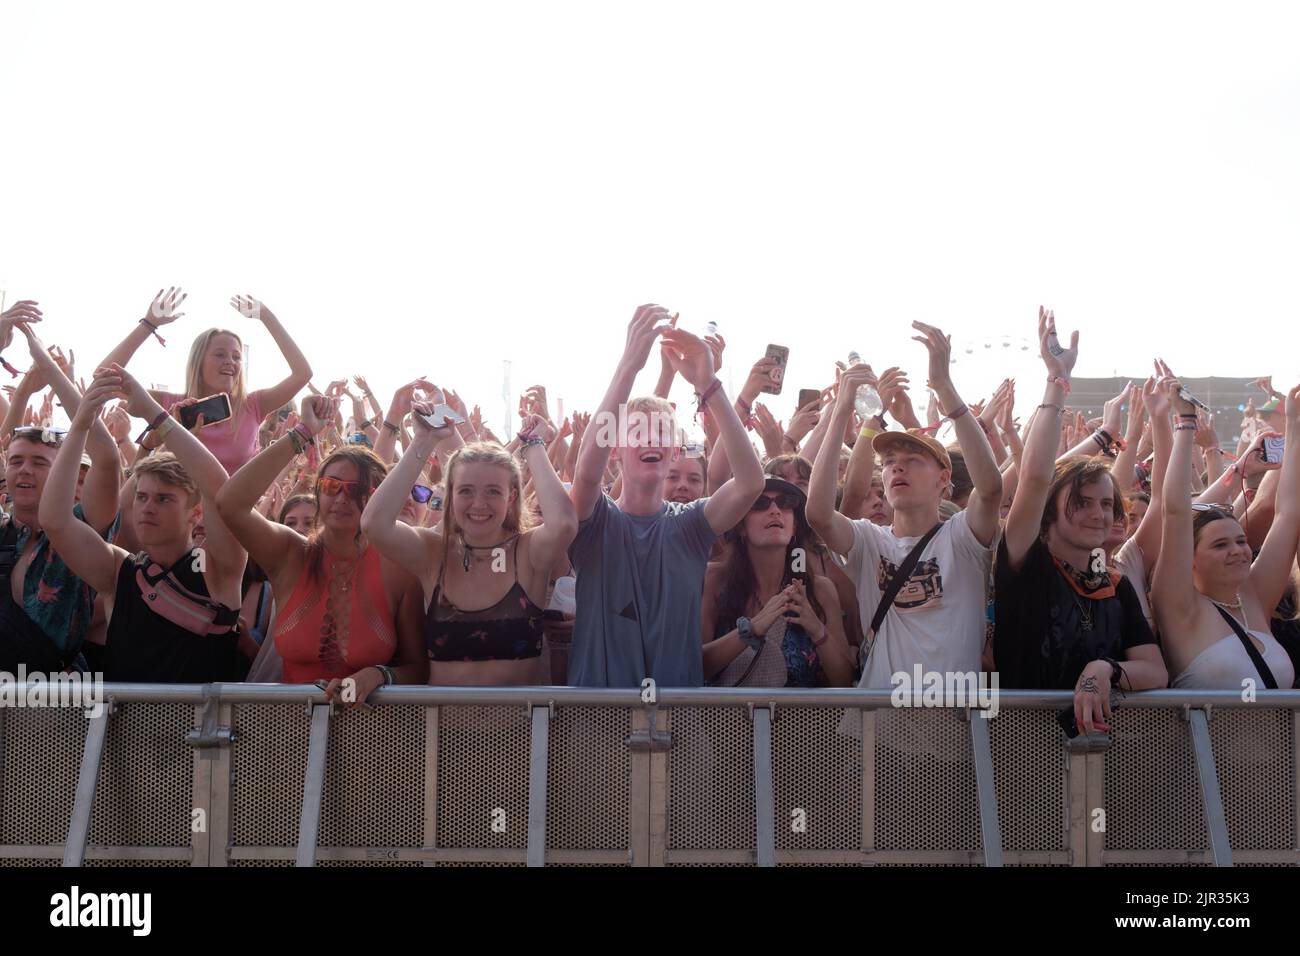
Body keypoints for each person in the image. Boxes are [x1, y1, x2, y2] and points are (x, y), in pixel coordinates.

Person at [567, 305, 765, 688]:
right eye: (637, 432)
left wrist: (709, 385)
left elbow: (751, 483)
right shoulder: (597, 522)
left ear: (675, 452)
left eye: (661, 433)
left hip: (679, 717)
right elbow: (586, 474)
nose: (650, 439)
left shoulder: (690, 525)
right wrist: (629, 366)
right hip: (597, 720)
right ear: (615, 449)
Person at [995, 308, 1167, 733]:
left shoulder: (1113, 582)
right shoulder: (1025, 562)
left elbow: (1155, 670)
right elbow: (1035, 478)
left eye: (1107, 505)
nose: (1099, 514)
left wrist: (1103, 670)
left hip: (1102, 753)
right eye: (1083, 502)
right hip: (1020, 749)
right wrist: (1057, 380)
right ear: (1050, 511)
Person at [807, 321, 1003, 689]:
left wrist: (944, 387)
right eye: (891, 460)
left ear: (943, 480)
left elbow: (991, 487)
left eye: (913, 459)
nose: (897, 465)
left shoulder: (961, 538)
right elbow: (817, 513)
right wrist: (841, 411)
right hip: (876, 733)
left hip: (950, 734)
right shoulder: (869, 541)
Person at [37, 364, 250, 682]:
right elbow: (55, 521)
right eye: (142, 497)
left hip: (200, 731)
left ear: (195, 513)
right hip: (124, 732)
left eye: (164, 499)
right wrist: (80, 426)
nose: (148, 507)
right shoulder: (118, 571)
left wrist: (154, 413)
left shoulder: (218, 568)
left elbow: (218, 486)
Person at [215, 394, 427, 701]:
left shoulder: (398, 569)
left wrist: (380, 674)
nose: (342, 498)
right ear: (318, 492)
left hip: (371, 738)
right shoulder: (290, 554)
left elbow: (418, 668)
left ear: (380, 497)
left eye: (357, 490)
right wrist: (303, 431)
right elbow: (229, 503)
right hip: (287, 735)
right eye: (331, 486)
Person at [361, 406, 577, 685]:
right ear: (450, 493)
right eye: (465, 491)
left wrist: (534, 445)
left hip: (518, 728)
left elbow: (564, 525)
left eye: (493, 491)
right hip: (441, 728)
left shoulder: (527, 553)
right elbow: (374, 524)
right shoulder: (433, 553)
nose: (478, 504)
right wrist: (423, 440)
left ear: (511, 497)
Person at [1152, 384, 1299, 689]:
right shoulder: (1180, 608)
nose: (1238, 550)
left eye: (1241, 541)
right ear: (1189, 559)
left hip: (1279, 739)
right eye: (1220, 544)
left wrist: (1295, 424)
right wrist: (1186, 422)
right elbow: (1175, 513)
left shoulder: (1254, 597)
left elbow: (1288, 515)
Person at [0, 325, 121, 673]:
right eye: (17, 461)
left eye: (39, 463)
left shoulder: (80, 529)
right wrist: (24, 387)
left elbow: (107, 459)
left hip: (52, 700)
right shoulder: (5, 532)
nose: (24, 470)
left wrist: (51, 372)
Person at [99, 288, 313, 475]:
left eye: (236, 357)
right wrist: (148, 324)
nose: (230, 362)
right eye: (220, 355)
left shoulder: (252, 405)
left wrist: (267, 316)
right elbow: (104, 375)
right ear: (198, 362)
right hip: (180, 518)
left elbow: (302, 374)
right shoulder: (170, 406)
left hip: (231, 519)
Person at [701, 477, 854, 686]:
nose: (775, 510)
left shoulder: (819, 590)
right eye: (760, 504)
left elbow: (844, 682)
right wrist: (750, 630)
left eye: (785, 503)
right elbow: (696, 667)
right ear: (740, 527)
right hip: (725, 719)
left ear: (795, 526)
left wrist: (818, 630)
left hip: (803, 719)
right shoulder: (714, 580)